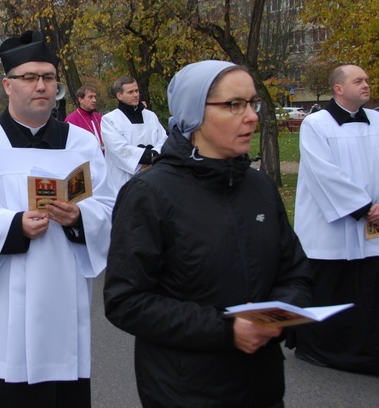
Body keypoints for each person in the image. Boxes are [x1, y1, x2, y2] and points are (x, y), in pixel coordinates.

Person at [104, 60, 311, 407]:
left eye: (252, 102)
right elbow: (126, 301)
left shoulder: (259, 186)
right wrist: (226, 329)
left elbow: (297, 275)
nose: (251, 116)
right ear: (194, 114)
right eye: (234, 105)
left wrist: (280, 315)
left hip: (263, 385)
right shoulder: (150, 194)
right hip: (185, 390)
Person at [0, 30, 114, 408]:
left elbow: (111, 207)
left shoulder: (80, 143)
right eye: (30, 77)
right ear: (8, 85)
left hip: (65, 309)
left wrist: (79, 216)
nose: (41, 86)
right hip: (3, 313)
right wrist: (13, 226)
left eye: (49, 78)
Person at [288, 64, 379, 375]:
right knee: (332, 285)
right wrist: (362, 207)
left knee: (371, 286)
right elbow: (322, 173)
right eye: (359, 80)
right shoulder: (316, 124)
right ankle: (318, 348)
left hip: (377, 221)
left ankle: (368, 350)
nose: (366, 85)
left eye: (367, 80)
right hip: (330, 226)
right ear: (338, 89)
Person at [101, 76, 167, 192]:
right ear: (119, 96)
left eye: (136, 91)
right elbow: (119, 149)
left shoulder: (150, 116)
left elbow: (164, 140)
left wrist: (153, 158)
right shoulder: (110, 119)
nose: (135, 95)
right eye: (130, 92)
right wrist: (148, 159)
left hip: (153, 177)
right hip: (123, 180)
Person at [65, 86, 104, 153]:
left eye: (95, 97)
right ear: (80, 100)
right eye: (90, 97)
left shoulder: (100, 117)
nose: (94, 100)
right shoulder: (71, 120)